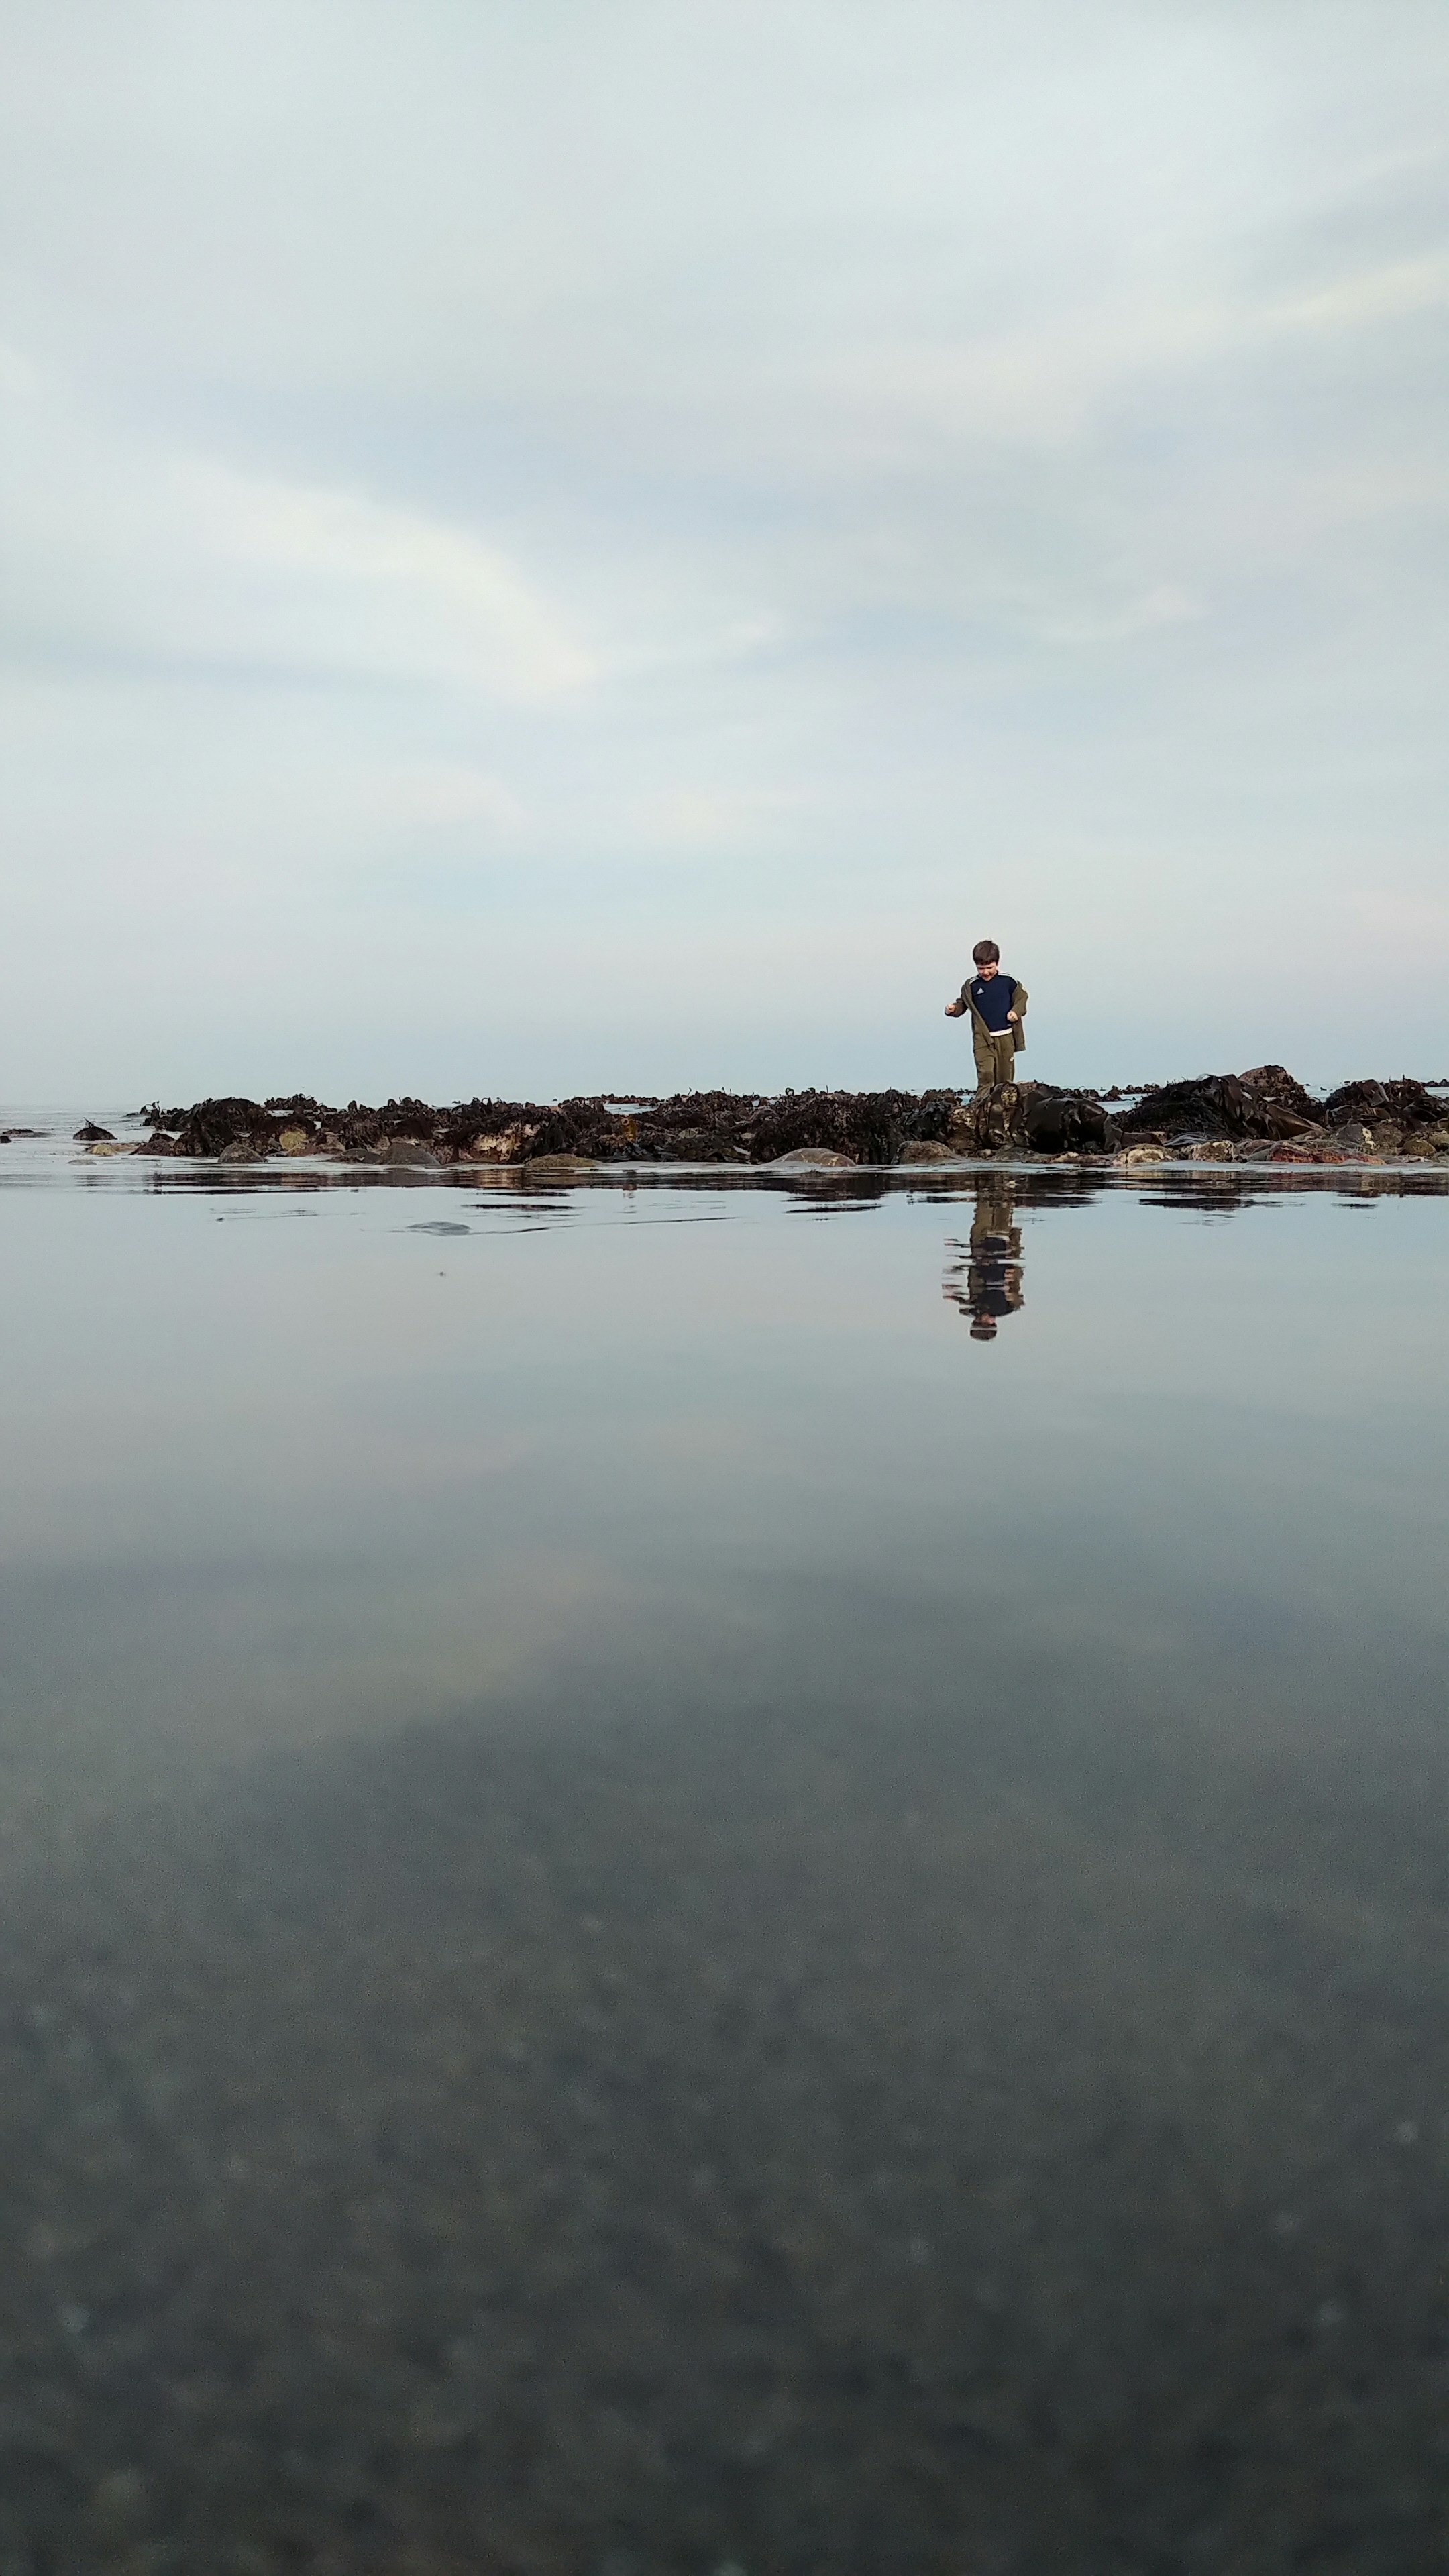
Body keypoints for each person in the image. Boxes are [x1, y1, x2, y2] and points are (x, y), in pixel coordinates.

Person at [945, 939, 1027, 1092]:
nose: (986, 972)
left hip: (1005, 1037)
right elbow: (963, 1003)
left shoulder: (1008, 982)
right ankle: (980, 1108)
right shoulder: (971, 985)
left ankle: (1004, 1111)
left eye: (990, 967)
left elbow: (1022, 998)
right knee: (986, 1075)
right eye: (981, 968)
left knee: (1005, 1080)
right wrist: (953, 1009)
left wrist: (1015, 1012)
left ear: (997, 963)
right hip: (982, 1038)